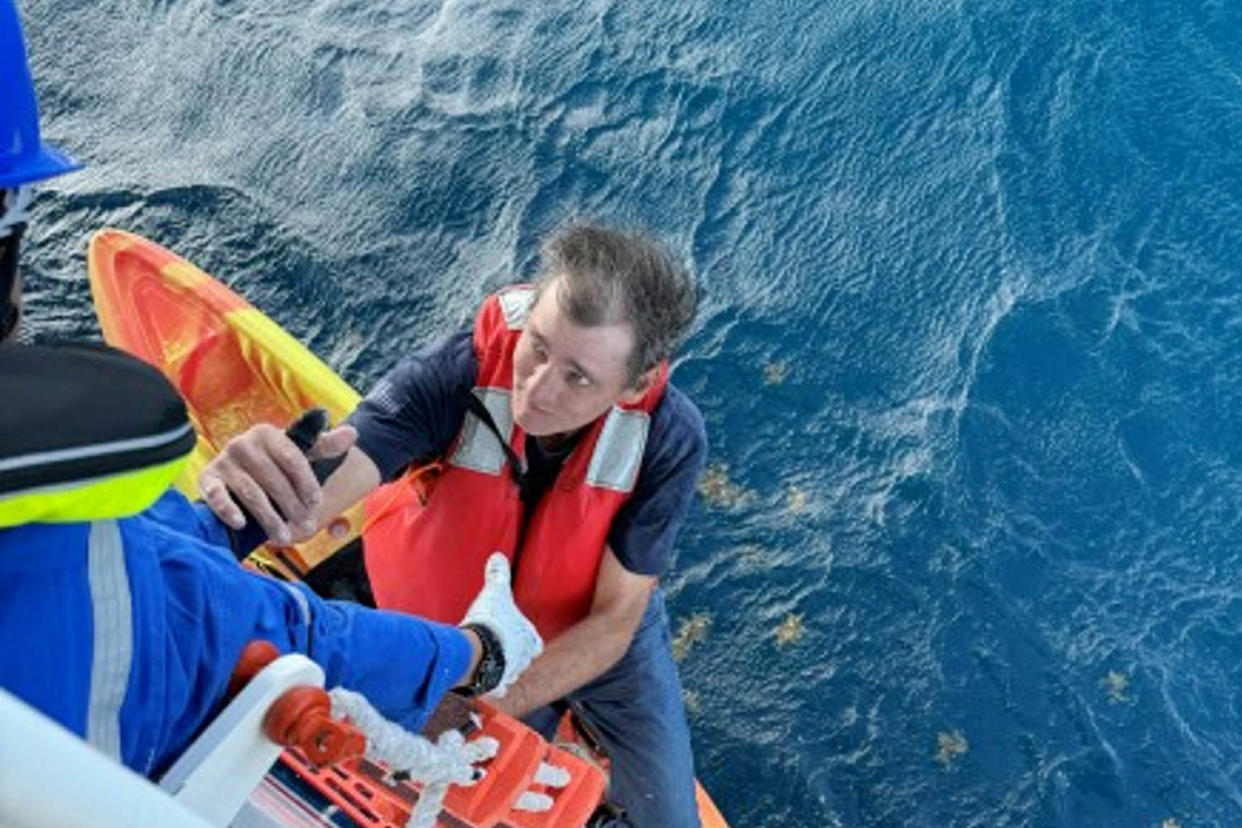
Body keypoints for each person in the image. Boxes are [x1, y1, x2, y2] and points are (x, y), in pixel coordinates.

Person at [0, 0, 541, 782]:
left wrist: (226, 516)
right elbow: (257, 629)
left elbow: (137, 578)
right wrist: (479, 652)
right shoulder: (62, 571)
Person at [201, 221, 708, 825]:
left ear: (639, 382)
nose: (538, 391)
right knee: (469, 801)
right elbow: (342, 469)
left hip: (593, 621)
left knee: (669, 816)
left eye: (578, 377)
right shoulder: (461, 368)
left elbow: (616, 619)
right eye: (538, 347)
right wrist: (268, 496)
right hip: (459, 614)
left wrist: (490, 700)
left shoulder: (669, 438)